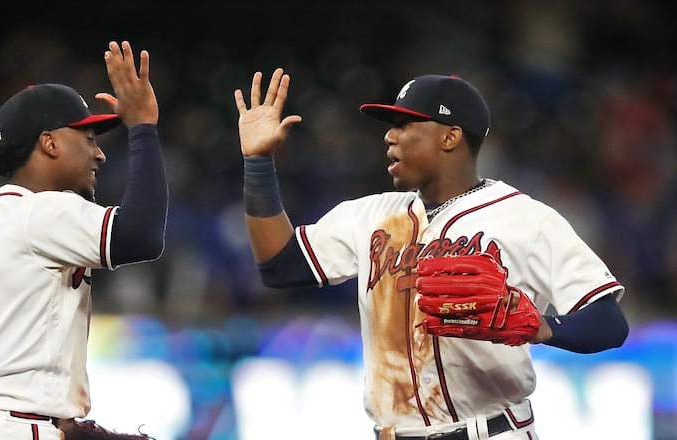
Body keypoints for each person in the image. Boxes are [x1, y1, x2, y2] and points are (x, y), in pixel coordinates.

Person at [233, 69, 629, 439]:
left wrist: (541, 327)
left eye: (406, 125)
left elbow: (609, 321)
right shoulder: (370, 215)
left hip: (491, 430)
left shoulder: (526, 219)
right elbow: (280, 264)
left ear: (450, 137)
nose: (390, 137)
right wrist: (258, 165)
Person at [0, 40, 166, 440]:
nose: (99, 154)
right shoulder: (44, 211)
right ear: (49, 143)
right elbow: (142, 236)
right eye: (88, 138)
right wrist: (143, 127)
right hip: (17, 428)